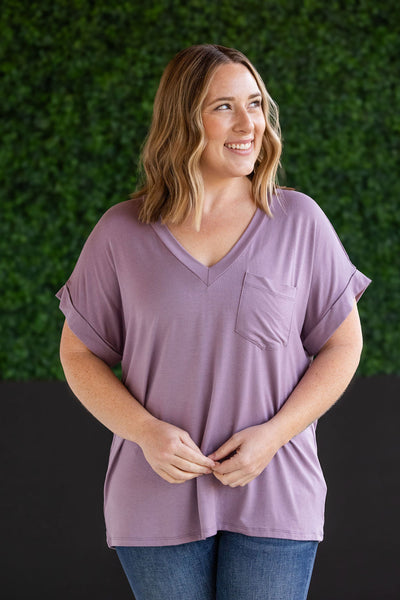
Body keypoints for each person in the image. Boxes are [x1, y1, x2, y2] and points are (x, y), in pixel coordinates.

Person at [56, 44, 371, 600]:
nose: (249, 124)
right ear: (182, 120)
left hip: (275, 490)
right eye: (224, 106)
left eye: (255, 104)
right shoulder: (120, 233)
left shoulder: (299, 221)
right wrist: (145, 432)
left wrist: (274, 436)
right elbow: (78, 354)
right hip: (153, 496)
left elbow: (343, 346)